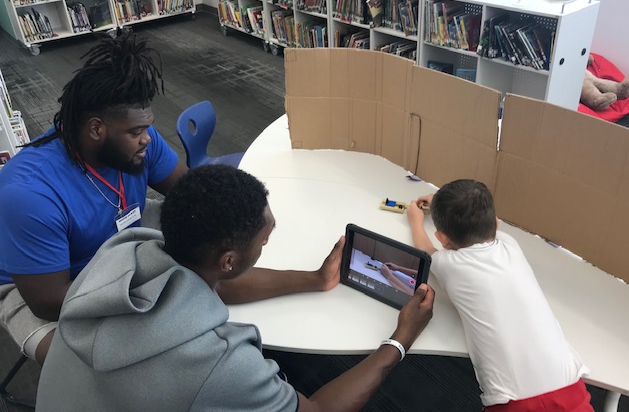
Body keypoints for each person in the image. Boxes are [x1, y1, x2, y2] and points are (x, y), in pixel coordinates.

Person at [0, 31, 340, 366]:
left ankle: (311, 280)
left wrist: (240, 238)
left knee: (207, 249)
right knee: (113, 366)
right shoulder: (29, 195)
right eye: (136, 132)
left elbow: (198, 199)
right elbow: (49, 302)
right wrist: (160, 287)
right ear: (95, 129)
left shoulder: (137, 142)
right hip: (42, 288)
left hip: (121, 230)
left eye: (147, 127)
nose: (147, 139)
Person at [36, 165, 436, 412]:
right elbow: (318, 410)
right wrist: (400, 339)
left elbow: (218, 285)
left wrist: (315, 279)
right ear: (228, 261)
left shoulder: (119, 257)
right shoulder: (222, 363)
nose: (266, 244)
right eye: (263, 240)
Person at [406, 179, 593, 411]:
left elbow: (425, 250)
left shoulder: (449, 264)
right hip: (569, 388)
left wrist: (415, 220)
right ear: (495, 224)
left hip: (514, 402)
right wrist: (440, 204)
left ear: (442, 238)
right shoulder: (510, 245)